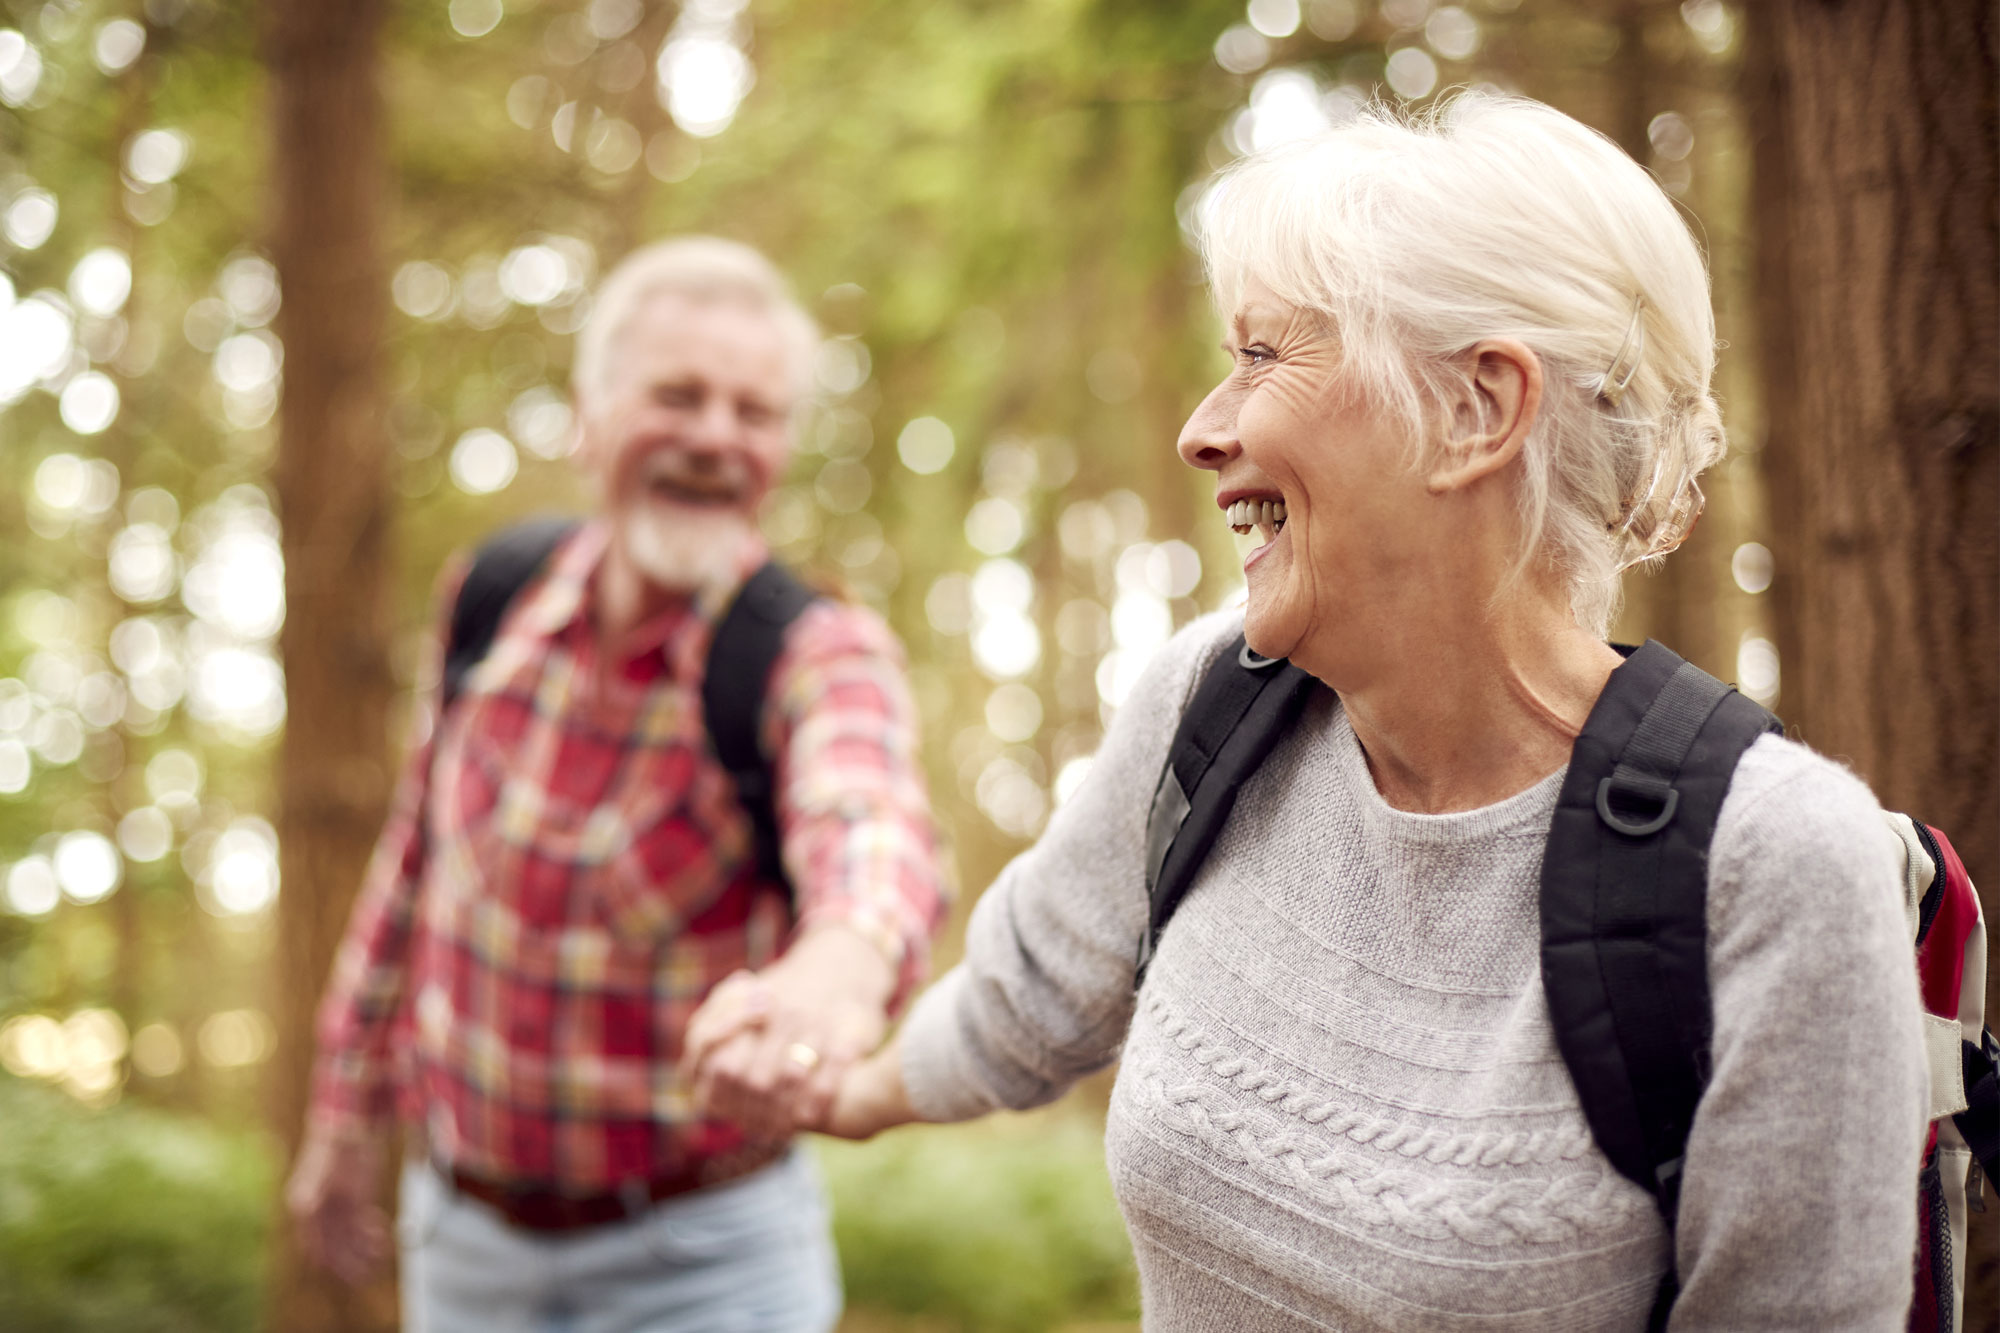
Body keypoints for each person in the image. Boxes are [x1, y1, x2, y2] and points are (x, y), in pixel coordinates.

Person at [811, 96, 1928, 1329]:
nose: (1200, 429)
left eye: (1260, 356)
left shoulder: (1773, 867)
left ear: (1473, 410)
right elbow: (1032, 985)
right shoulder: (1214, 704)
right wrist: (826, 1087)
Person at [286, 237, 946, 1333]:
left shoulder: (809, 653)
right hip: (461, 1244)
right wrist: (341, 1117)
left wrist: (832, 979)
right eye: (678, 396)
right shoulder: (491, 598)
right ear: (587, 417)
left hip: (707, 1262)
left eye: (755, 412)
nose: (714, 439)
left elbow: (870, 833)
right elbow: (412, 870)